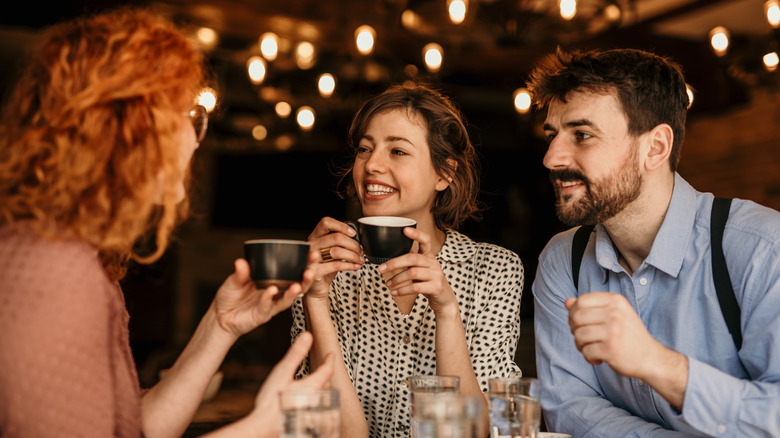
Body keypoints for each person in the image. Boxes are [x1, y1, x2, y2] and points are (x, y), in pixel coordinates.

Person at [0, 8, 333, 438]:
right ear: (123, 130)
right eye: (185, 116)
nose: (196, 137)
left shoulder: (79, 256)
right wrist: (258, 429)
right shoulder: (54, 271)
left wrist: (220, 323)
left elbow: (136, 426)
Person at [529, 47, 780, 436]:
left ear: (656, 148)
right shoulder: (564, 260)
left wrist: (657, 363)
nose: (551, 158)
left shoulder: (763, 249)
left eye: (581, 134)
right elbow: (570, 408)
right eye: (552, 135)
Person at [290, 83, 524, 437]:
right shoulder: (324, 263)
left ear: (444, 173)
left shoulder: (494, 270)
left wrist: (446, 311)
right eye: (365, 149)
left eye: (397, 151)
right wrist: (315, 299)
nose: (372, 165)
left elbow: (481, 432)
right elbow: (322, 430)